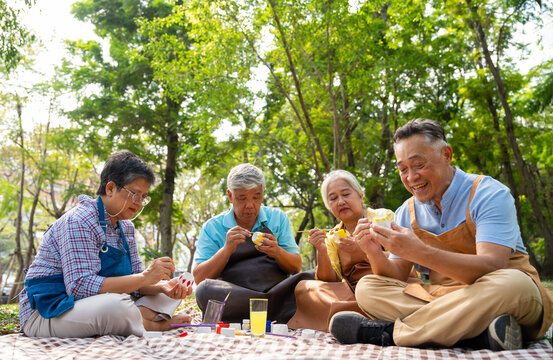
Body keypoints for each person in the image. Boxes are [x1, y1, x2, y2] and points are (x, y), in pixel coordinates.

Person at [329, 119, 553, 350]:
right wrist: (374, 253)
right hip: (444, 298)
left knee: (514, 284)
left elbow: (493, 265)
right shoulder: (406, 211)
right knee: (369, 287)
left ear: (446, 155)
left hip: (499, 291)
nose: (411, 177)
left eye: (418, 164)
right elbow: (395, 277)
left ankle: (389, 334)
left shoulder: (488, 193)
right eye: (403, 169)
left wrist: (420, 252)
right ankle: (478, 334)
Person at [19, 150, 193, 338]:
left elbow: (134, 283)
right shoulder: (79, 221)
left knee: (165, 295)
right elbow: (79, 287)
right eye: (135, 193)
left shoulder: (126, 228)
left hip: (97, 306)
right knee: (117, 306)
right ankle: (156, 325)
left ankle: (136, 319)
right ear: (110, 189)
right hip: (49, 311)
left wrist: (161, 286)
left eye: (143, 197)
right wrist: (145, 277)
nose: (139, 202)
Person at [193, 163, 314, 323]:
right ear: (230, 196)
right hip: (238, 296)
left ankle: (257, 314)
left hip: (278, 292)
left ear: (262, 195)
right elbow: (199, 278)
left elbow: (295, 267)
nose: (249, 206)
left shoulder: (277, 218)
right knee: (204, 290)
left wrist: (277, 252)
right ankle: (281, 314)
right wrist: (226, 249)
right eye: (242, 198)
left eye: (256, 197)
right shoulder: (213, 226)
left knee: (312, 278)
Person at [288, 170, 405, 332]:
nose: (341, 202)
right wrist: (321, 249)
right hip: (352, 295)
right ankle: (366, 319)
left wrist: (363, 251)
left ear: (360, 196)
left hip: (387, 286)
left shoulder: (382, 218)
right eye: (333, 199)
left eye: (345, 194)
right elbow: (329, 281)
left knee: (368, 289)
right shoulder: (332, 236)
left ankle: (358, 320)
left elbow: (402, 260)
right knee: (305, 287)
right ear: (330, 207)